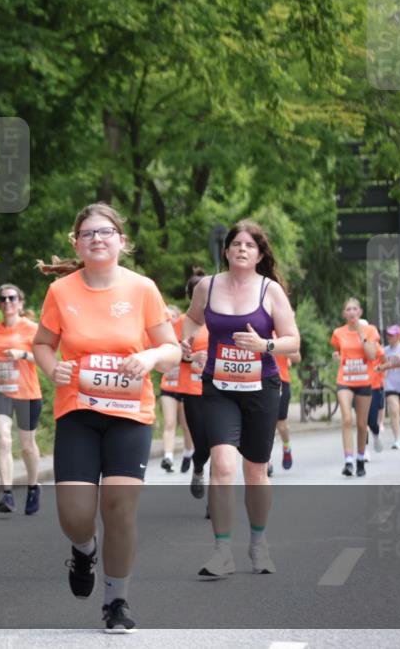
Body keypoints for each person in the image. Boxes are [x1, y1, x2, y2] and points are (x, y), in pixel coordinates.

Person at [33, 203, 180, 633]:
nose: (97, 238)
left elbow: (172, 350)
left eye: (105, 231)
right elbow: (43, 343)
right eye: (87, 233)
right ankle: (83, 548)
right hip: (78, 410)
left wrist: (150, 355)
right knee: (75, 514)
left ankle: (116, 601)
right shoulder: (62, 292)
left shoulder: (143, 289)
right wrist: (50, 368)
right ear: (76, 244)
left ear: (120, 240)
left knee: (119, 509)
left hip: (131, 414)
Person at [182, 220, 300, 578]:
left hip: (261, 388)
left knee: (255, 472)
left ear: (260, 253)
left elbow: (293, 341)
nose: (243, 249)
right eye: (237, 244)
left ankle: (258, 544)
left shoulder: (270, 291)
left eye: (250, 245)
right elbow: (190, 320)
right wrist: (190, 347)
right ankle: (221, 552)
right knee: (222, 465)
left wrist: (264, 345)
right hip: (218, 388)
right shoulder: (207, 286)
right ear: (227, 250)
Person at [0, 283, 43, 514]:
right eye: (3, 299)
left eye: (12, 298)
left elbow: (45, 359)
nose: (7, 302)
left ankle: (33, 486)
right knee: (3, 439)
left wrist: (23, 354)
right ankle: (6, 494)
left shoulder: (32, 329)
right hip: (1, 391)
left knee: (27, 446)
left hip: (27, 393)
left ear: (20, 302)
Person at [330, 301, 380, 475]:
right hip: (345, 380)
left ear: (360, 312)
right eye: (348, 309)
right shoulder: (338, 332)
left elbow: (372, 355)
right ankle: (348, 461)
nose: (351, 312)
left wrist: (361, 335)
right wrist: (337, 355)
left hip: (364, 382)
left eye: (354, 309)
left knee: (361, 424)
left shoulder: (370, 330)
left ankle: (360, 460)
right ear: (344, 313)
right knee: (346, 419)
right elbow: (338, 349)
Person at [178, 269, 210, 501]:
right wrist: (190, 357)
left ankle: (216, 501)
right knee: (201, 443)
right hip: (192, 390)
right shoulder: (181, 322)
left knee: (220, 446)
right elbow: (171, 351)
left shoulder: (222, 318)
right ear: (191, 295)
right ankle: (198, 467)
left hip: (221, 389)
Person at [158, 305, 196, 473]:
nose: (170, 319)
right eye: (167, 316)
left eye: (173, 316)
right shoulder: (160, 337)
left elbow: (193, 359)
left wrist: (190, 357)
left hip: (186, 387)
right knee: (169, 422)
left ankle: (189, 452)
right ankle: (168, 457)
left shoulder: (187, 336)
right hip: (168, 385)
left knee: (187, 425)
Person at [273, 333, 302, 472]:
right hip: (259, 380)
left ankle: (286, 447)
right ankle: (266, 461)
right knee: (264, 424)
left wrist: (278, 347)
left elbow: (297, 358)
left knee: (281, 424)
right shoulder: (256, 328)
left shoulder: (282, 334)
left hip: (281, 381)